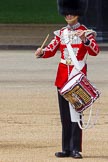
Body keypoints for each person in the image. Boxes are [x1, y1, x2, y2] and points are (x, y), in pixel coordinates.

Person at [35, 0, 100, 159]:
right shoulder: (61, 33)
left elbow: (95, 51)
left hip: (77, 78)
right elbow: (51, 50)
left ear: (77, 13)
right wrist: (41, 52)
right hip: (62, 79)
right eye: (67, 13)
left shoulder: (86, 32)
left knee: (76, 114)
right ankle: (66, 148)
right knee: (65, 116)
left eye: (71, 12)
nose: (68, 15)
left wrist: (85, 39)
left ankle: (76, 149)